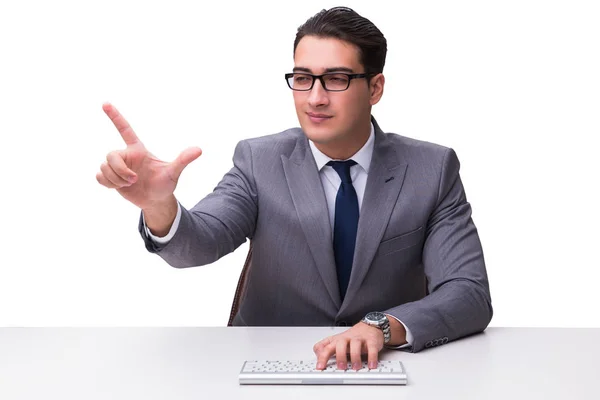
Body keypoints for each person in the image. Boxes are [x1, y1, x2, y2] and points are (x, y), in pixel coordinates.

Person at [96, 6, 492, 371]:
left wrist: (381, 327)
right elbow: (199, 244)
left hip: (383, 368)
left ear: (375, 88)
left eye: (336, 79)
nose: (315, 98)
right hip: (266, 367)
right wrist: (159, 205)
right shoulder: (259, 160)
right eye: (303, 79)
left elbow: (468, 292)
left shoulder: (431, 169)